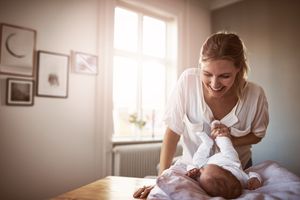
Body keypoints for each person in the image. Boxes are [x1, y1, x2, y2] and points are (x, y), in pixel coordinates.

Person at [133, 32, 269, 199]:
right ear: (200, 66)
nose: (214, 84)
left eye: (224, 76)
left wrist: (231, 140)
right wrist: (161, 180)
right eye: (207, 74)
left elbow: (257, 135)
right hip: (191, 169)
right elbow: (173, 131)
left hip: (235, 175)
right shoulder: (188, 81)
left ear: (238, 68)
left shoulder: (256, 95)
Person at [185, 120, 262, 199]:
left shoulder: (204, 178)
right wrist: (255, 179)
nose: (201, 171)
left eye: (202, 172)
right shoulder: (242, 180)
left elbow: (191, 167)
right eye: (221, 169)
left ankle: (207, 143)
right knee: (227, 148)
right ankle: (221, 134)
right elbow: (252, 174)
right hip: (230, 162)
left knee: (196, 161)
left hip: (207, 163)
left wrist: (192, 169)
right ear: (229, 173)